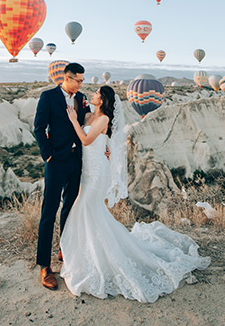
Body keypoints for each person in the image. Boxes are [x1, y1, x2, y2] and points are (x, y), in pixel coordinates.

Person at [60, 85, 211, 303]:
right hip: (86, 171)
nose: (92, 95)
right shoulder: (90, 115)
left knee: (87, 209)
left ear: (102, 100)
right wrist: (78, 115)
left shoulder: (102, 120)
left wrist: (73, 120)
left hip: (97, 173)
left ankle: (104, 258)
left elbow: (85, 140)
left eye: (96, 94)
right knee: (88, 211)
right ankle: (90, 254)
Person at [33, 62, 91, 290]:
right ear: (66, 78)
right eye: (78, 80)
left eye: (82, 81)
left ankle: (64, 249)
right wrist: (48, 155)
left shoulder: (82, 97)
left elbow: (87, 123)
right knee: (49, 211)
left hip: (77, 161)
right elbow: (39, 128)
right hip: (56, 161)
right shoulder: (48, 97)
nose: (80, 84)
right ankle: (44, 266)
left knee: (70, 207)